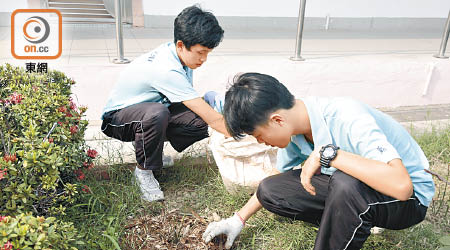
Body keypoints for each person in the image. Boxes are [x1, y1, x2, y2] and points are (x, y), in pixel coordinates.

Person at [202, 72, 435, 250]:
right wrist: (237, 219)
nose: (262, 142)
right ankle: (351, 221)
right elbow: (275, 179)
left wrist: (330, 154)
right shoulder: (295, 130)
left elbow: (402, 187)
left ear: (277, 120)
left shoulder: (346, 116)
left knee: (345, 184)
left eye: (259, 135)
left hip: (409, 200)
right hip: (358, 189)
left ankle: (351, 223)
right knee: (271, 189)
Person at [100, 5, 228, 202]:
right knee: (158, 114)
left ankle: (151, 150)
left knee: (200, 119)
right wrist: (243, 136)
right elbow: (215, 119)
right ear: (180, 45)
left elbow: (195, 107)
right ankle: (143, 172)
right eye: (200, 52)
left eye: (208, 53)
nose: (204, 59)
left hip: (147, 111)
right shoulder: (166, 69)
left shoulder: (181, 57)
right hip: (117, 118)